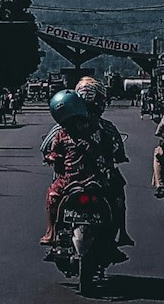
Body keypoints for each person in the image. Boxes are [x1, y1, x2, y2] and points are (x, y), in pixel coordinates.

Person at [40, 89, 120, 252]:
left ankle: (51, 232)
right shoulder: (99, 128)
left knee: (52, 196)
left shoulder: (62, 132)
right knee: (115, 198)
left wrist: (52, 157)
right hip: (95, 178)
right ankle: (117, 237)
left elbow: (51, 151)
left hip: (71, 180)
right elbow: (111, 149)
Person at [74, 77, 133, 247]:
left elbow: (47, 146)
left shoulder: (65, 125)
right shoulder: (106, 127)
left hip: (71, 176)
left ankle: (53, 233)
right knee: (119, 195)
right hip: (101, 177)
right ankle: (122, 232)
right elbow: (118, 152)